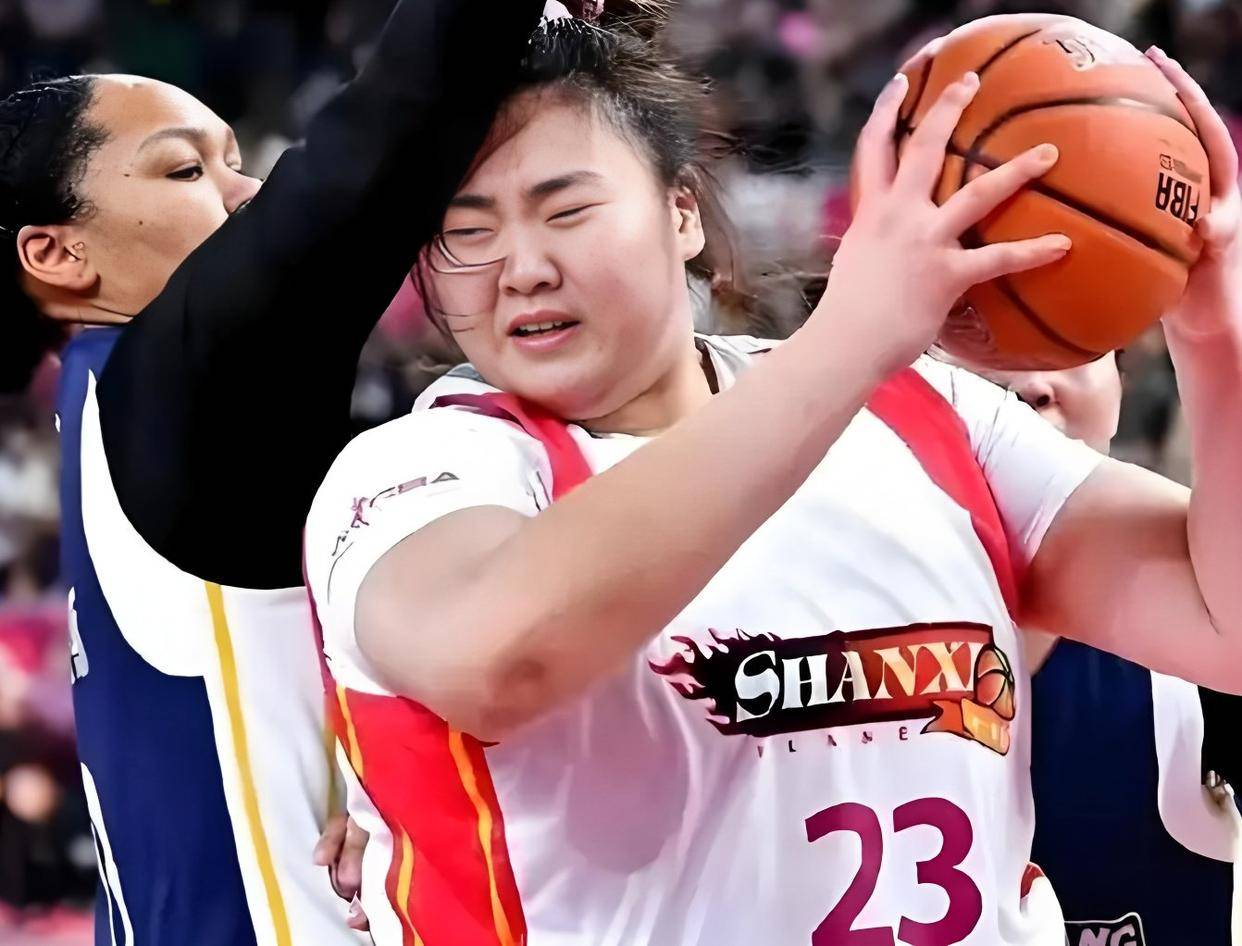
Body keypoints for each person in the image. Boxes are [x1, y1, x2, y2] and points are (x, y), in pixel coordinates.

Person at [305, 12, 1242, 946]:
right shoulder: (418, 471)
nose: (523, 269)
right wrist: (850, 339)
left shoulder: (933, 416)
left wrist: (1214, 330)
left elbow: (1224, 622)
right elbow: (496, 659)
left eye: (566, 211)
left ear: (680, 214)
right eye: (466, 232)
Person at [0, 0, 569, 941]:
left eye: (236, 157)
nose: (249, 191)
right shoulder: (182, 384)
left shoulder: (108, 405)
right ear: (58, 253)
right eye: (186, 169)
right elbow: (384, 132)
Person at [968, 356, 1242, 945]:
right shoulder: (802, 629)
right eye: (976, 344)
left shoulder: (1203, 639)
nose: (1028, 386)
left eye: (1064, 346)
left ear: (1120, 380)